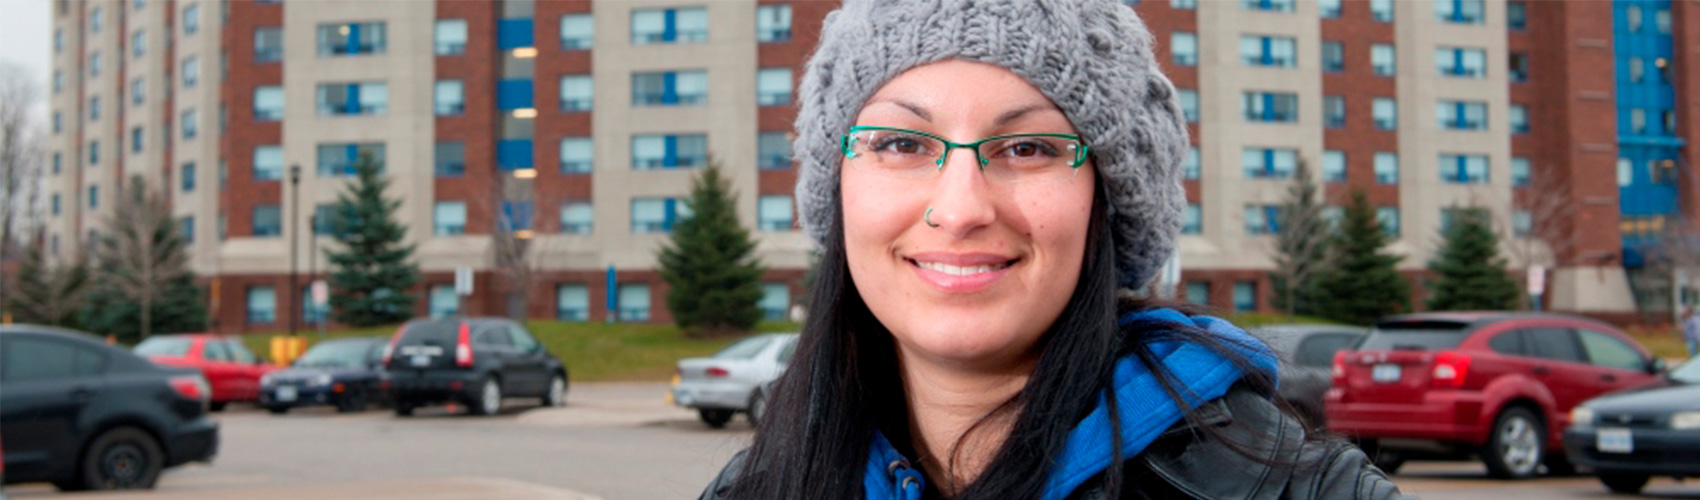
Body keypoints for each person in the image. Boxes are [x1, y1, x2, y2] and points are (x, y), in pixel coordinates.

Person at [699, 1, 1407, 499]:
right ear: (840, 186)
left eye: (1029, 147)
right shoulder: (753, 488)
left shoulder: (1299, 491)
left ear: (1106, 202)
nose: (961, 208)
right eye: (902, 143)